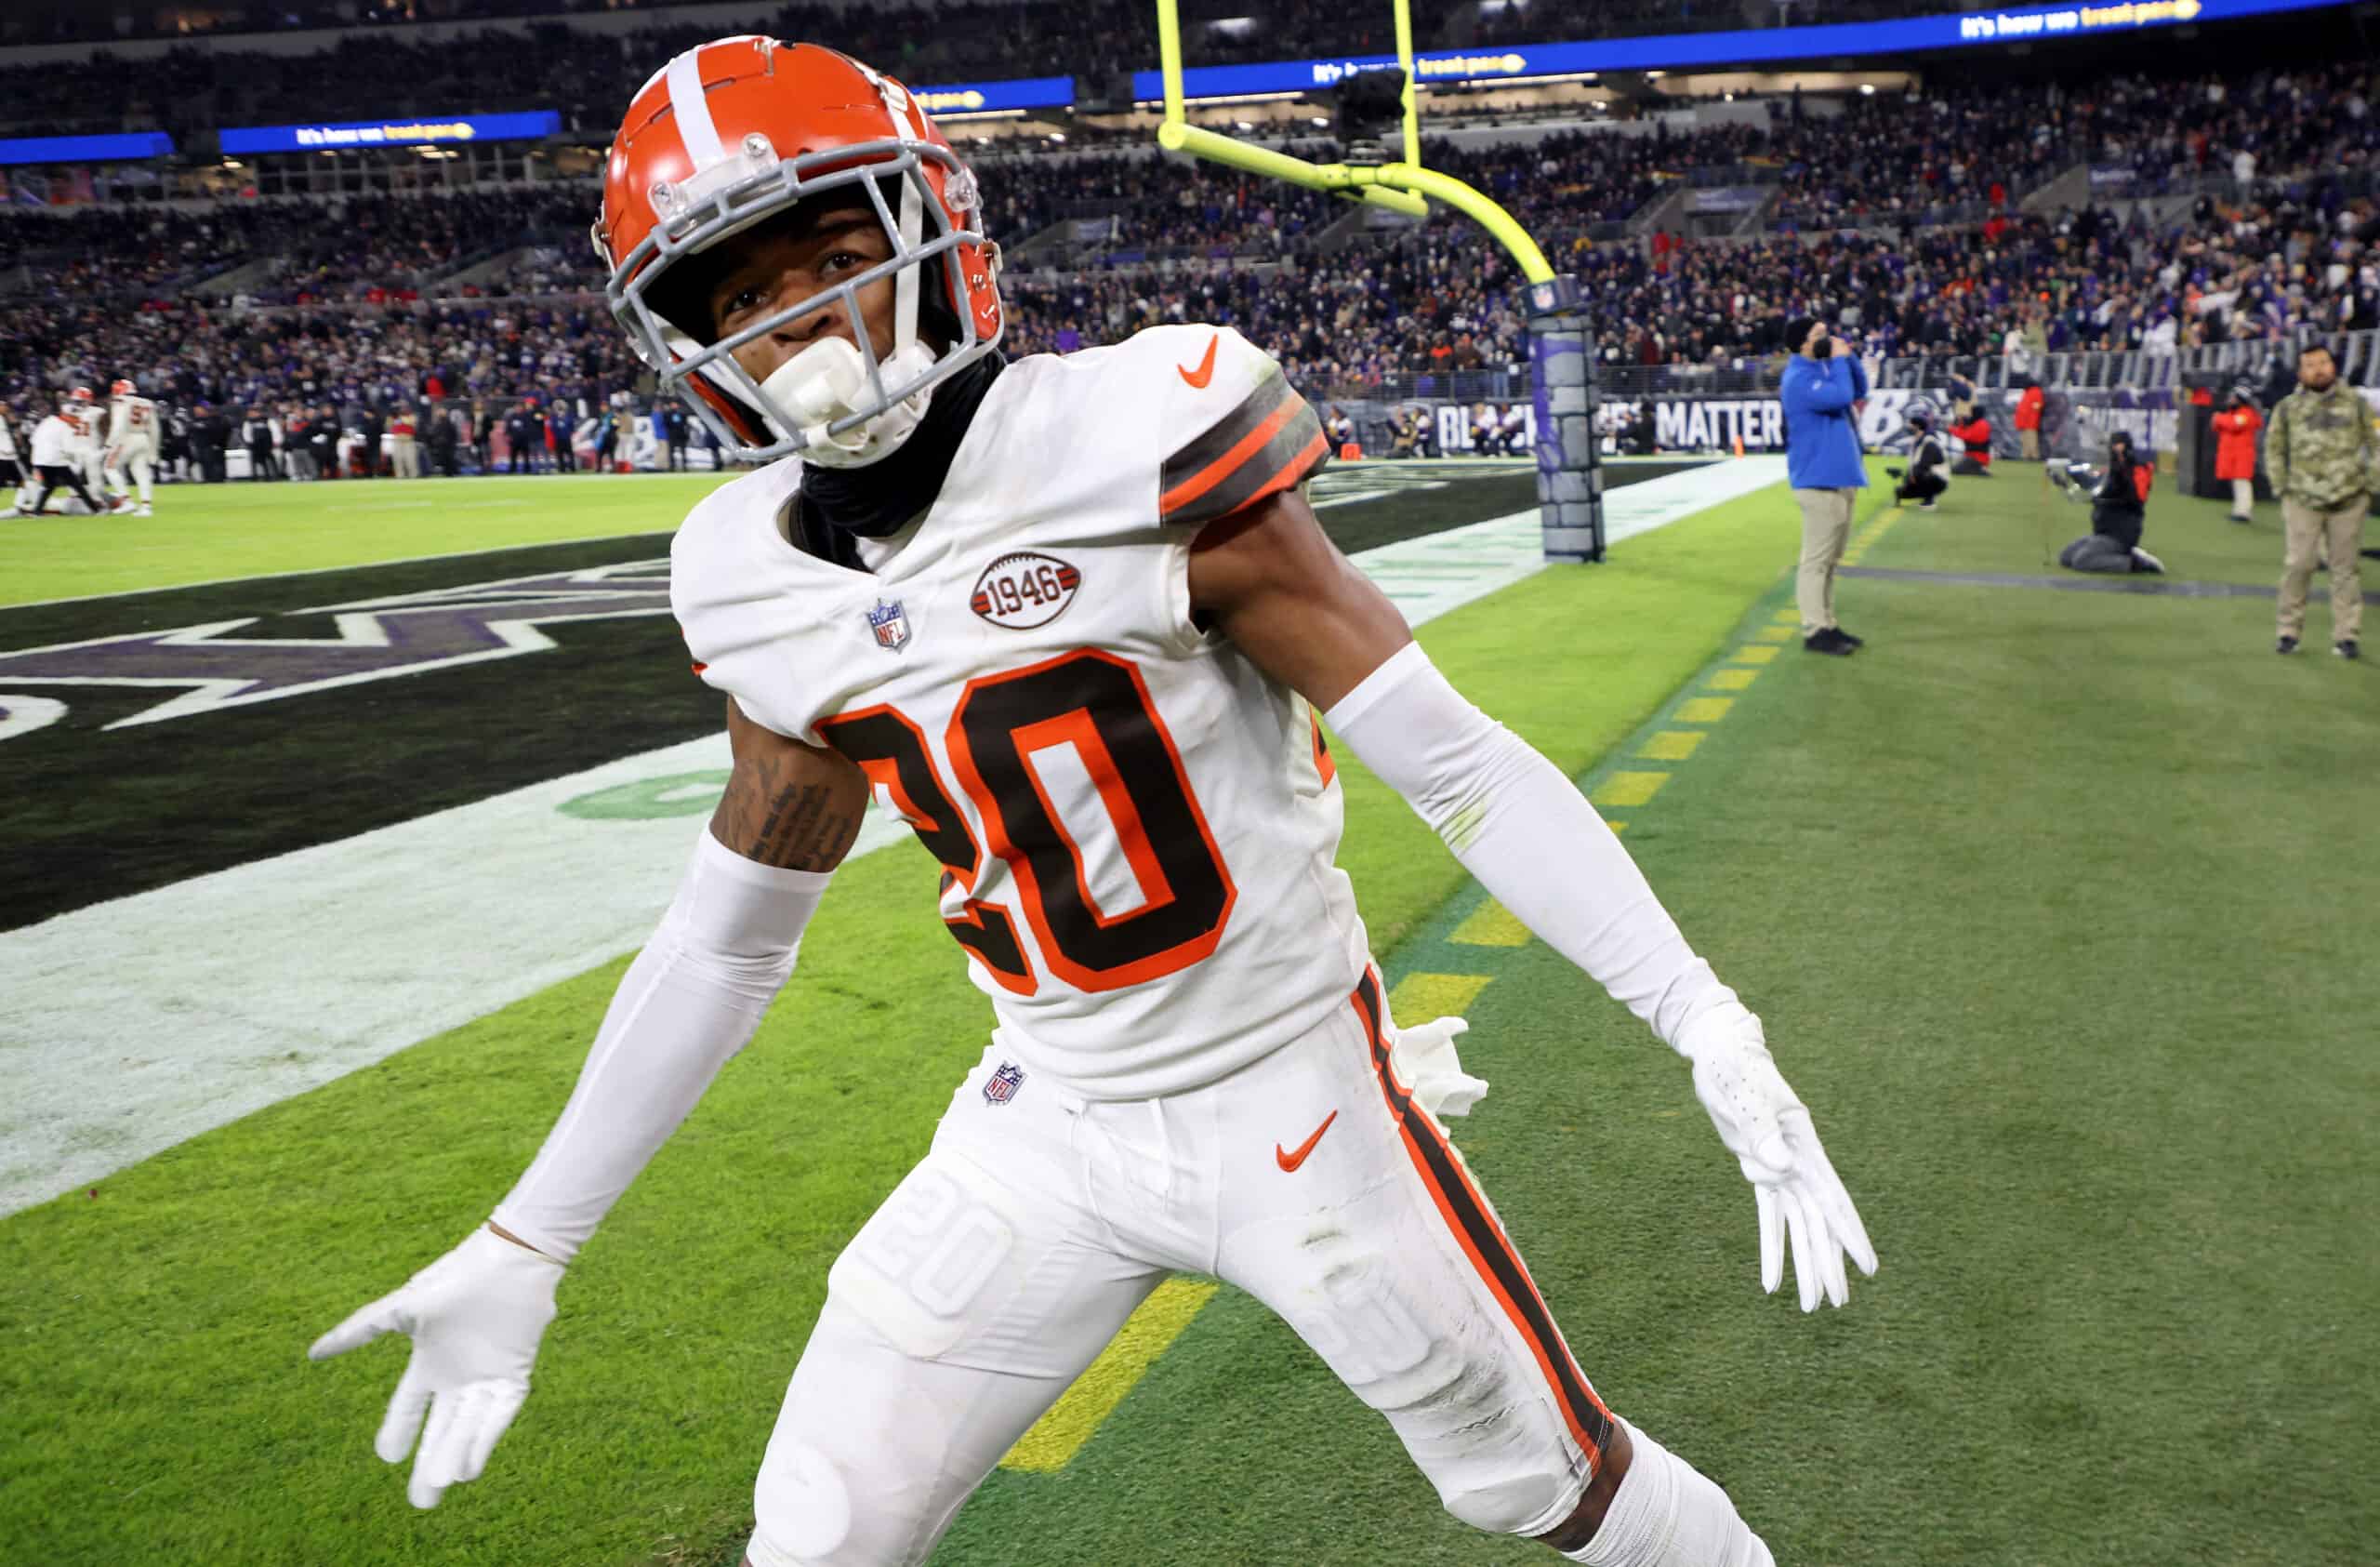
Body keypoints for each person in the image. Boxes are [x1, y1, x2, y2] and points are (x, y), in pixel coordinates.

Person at [309, 39, 1874, 1567]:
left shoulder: (1131, 436)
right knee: (819, 1526)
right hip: (1045, 1117)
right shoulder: (746, 575)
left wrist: (1698, 1015)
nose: (796, 324)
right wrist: (531, 1241)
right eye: (744, 301)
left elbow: (1453, 764)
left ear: (934, 237)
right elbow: (726, 945)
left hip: (1292, 1089)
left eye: (830, 257)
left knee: (1546, 1485)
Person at [2266, 341, 2377, 657]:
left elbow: (2376, 442)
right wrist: (2281, 487)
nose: (2319, 369)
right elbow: (2274, 448)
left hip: (2350, 500)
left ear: (2334, 366)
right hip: (2302, 499)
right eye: (2311, 364)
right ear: (2301, 372)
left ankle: (2347, 636)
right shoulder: (2288, 407)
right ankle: (2288, 631)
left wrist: (2371, 484)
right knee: (2299, 565)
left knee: (2345, 569)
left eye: (2324, 362)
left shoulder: (2357, 403)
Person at [1779, 315, 1868, 655]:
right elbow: (1843, 396)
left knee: (1830, 561)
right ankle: (1814, 630)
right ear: (1803, 343)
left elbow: (1859, 390)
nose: (1828, 339)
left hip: (1838, 478)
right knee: (1816, 561)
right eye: (1819, 335)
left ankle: (1828, 624)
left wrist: (1850, 357)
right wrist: (1840, 359)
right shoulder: (1798, 378)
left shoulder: (1823, 370)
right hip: (1818, 481)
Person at [2056, 431, 2165, 574]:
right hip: (2102, 533)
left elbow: (2136, 497)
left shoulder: (2138, 469)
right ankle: (2125, 556)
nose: (2115, 449)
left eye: (2118, 445)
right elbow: (2092, 484)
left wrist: (2119, 475)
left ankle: (2135, 563)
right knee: (2066, 557)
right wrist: (2067, 476)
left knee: (2081, 560)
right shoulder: (2111, 470)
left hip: (2121, 535)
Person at [18, 393, 111, 516]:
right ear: (68, 416)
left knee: (49, 486)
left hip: (38, 459)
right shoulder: (65, 427)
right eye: (75, 417)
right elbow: (69, 449)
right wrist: (97, 453)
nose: (77, 420)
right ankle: (96, 510)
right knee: (77, 485)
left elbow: (32, 440)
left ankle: (37, 511)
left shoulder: (48, 421)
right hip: (55, 460)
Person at [103, 378, 160, 516]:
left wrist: (109, 443)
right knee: (141, 472)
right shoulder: (147, 403)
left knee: (109, 468)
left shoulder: (120, 402)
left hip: (127, 438)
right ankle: (146, 507)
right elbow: (155, 429)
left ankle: (126, 501)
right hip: (143, 438)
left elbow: (118, 426)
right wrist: (154, 450)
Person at [2211, 387, 2263, 524]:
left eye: (2233, 397)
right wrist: (2220, 419)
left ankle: (2244, 513)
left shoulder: (2247, 414)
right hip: (2233, 456)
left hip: (2243, 455)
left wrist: (2219, 418)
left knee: (2242, 483)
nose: (2230, 400)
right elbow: (2217, 426)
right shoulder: (2232, 414)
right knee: (2237, 483)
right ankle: (2238, 510)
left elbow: (2233, 424)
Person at [1888, 411, 1949, 510]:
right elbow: (1913, 465)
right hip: (1922, 475)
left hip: (1938, 479)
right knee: (1900, 491)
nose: (1909, 427)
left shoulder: (1929, 442)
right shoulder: (1916, 441)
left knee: (1923, 475)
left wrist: (1911, 478)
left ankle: (1929, 501)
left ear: (1917, 426)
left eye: (1911, 424)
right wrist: (1905, 476)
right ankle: (1923, 494)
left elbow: (1924, 465)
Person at [1948, 406, 1994, 476]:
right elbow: (1965, 433)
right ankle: (1979, 469)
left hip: (1977, 458)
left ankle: (1980, 471)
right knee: (1956, 468)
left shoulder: (1981, 425)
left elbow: (1966, 435)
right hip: (1974, 457)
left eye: (1972, 413)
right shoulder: (1979, 423)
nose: (1970, 415)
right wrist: (1961, 424)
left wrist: (1951, 429)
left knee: (1955, 470)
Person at [2013, 379, 2044, 461]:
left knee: (2030, 439)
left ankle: (2032, 456)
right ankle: (2027, 455)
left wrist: (2031, 414)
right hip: (2028, 420)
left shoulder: (2032, 392)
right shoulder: (2033, 392)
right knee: (2028, 439)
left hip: (2029, 420)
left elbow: (2037, 406)